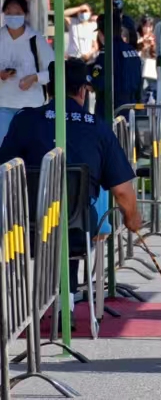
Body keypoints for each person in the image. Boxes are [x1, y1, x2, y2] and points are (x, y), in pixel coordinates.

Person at [0, 59, 141, 315]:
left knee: (57, 212)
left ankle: (29, 306)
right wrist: (132, 220)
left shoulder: (24, 121)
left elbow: (5, 169)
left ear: (49, 90)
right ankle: (67, 299)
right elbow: (122, 191)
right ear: (83, 91)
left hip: (27, 229)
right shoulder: (99, 128)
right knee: (74, 214)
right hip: (78, 231)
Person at [0, 0, 53, 144]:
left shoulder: (35, 39)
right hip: (3, 104)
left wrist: (34, 78)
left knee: (29, 148)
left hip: (31, 106)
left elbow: (53, 71)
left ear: (25, 14)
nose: (12, 17)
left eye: (17, 13)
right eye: (9, 12)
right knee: (4, 150)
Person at [90, 10, 143, 121]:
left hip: (111, 109)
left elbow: (98, 79)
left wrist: (90, 78)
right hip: (131, 107)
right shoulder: (132, 51)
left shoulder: (107, 53)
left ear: (101, 33)